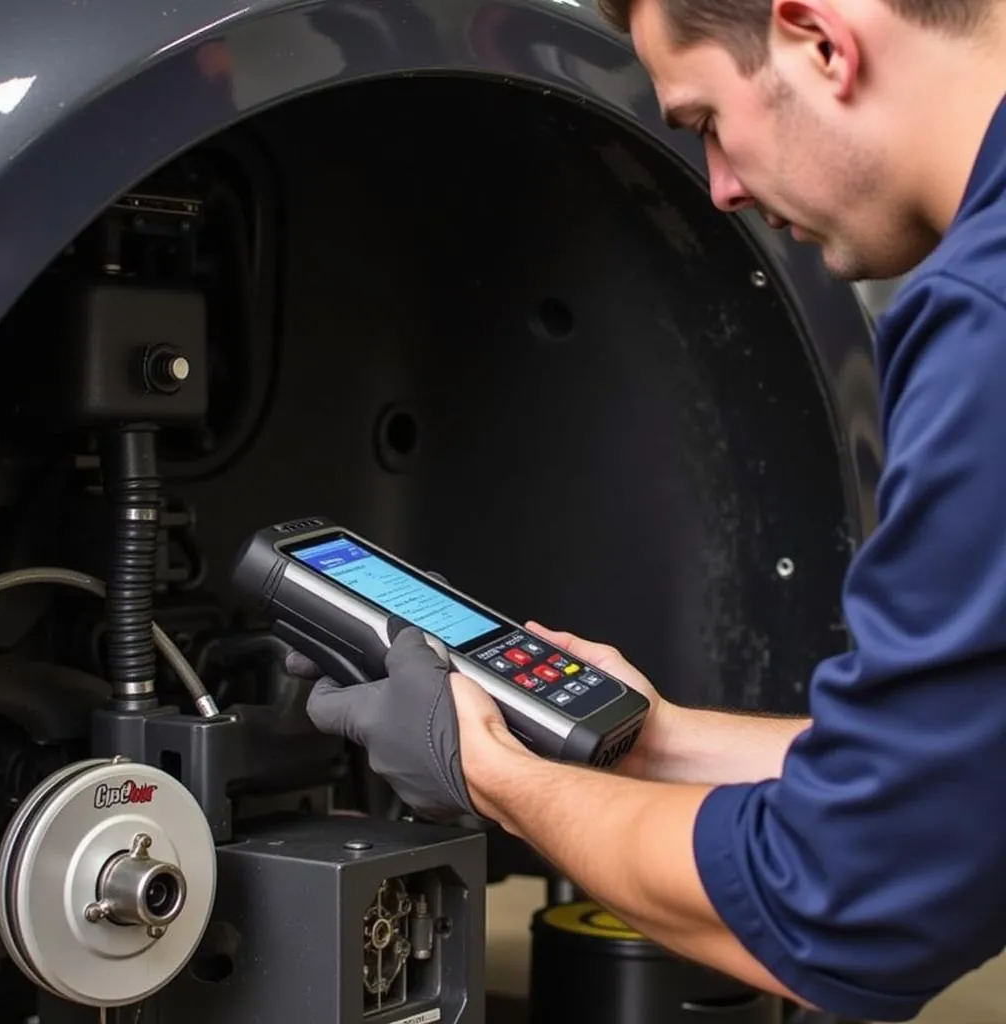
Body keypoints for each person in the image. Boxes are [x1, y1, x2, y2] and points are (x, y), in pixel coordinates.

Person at [287, 0, 1006, 1019]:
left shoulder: (985, 319)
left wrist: (489, 773)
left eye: (704, 119)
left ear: (817, 39)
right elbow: (964, 771)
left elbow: (845, 896)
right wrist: (651, 737)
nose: (715, 188)